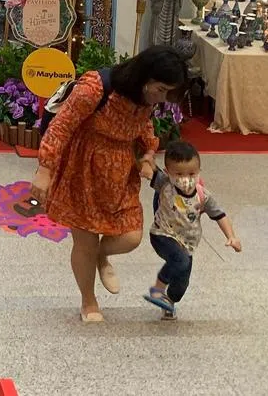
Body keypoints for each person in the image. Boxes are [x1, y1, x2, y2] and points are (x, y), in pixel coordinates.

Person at [30, 46, 188, 323]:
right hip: (82, 168)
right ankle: (88, 301)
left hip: (120, 173)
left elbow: (144, 125)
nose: (162, 98)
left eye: (168, 92)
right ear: (145, 77)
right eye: (161, 90)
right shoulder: (95, 88)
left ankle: (100, 256)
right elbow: (61, 126)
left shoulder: (146, 97)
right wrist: (45, 170)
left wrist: (149, 152)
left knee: (131, 237)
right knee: (85, 241)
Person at [145, 140, 241, 319]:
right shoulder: (164, 183)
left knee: (182, 281)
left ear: (199, 171)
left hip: (187, 242)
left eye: (191, 173)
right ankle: (157, 290)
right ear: (168, 172)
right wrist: (146, 162)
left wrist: (231, 236)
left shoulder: (203, 195)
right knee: (179, 261)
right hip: (162, 234)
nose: (185, 178)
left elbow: (220, 215)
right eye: (178, 174)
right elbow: (148, 168)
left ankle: (169, 301)